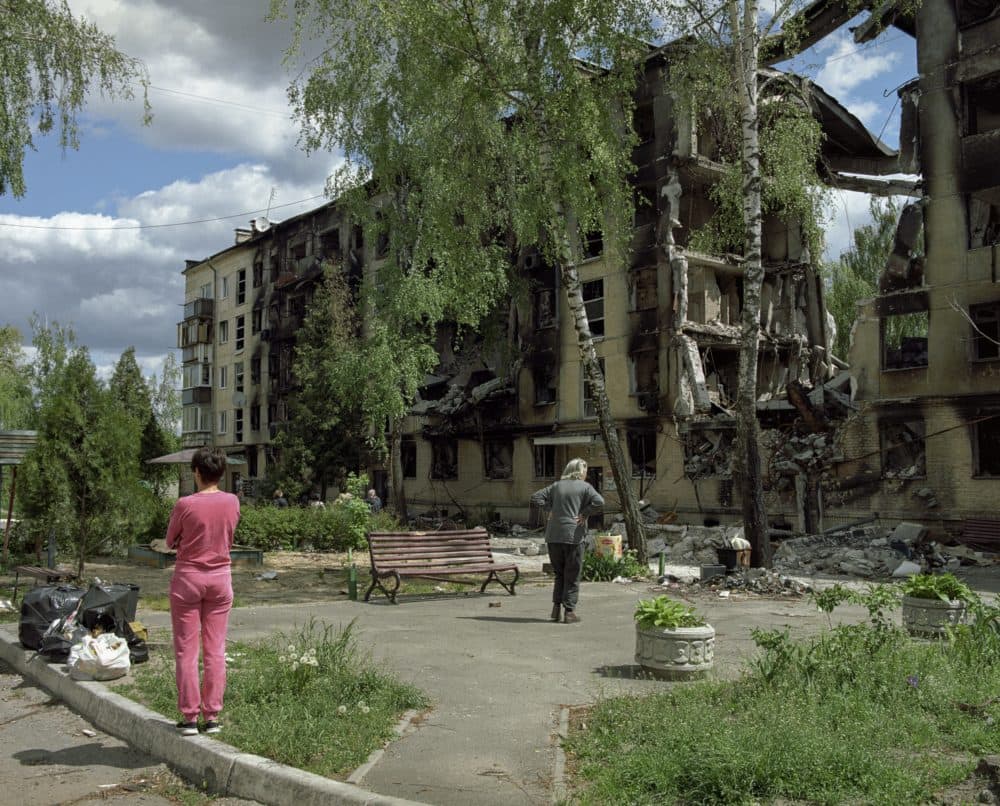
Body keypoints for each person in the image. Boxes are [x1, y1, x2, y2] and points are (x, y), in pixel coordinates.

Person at [163, 447, 241, 736]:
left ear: (196, 472)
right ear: (220, 473)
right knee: (215, 650)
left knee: (186, 650)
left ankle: (189, 718)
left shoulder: (185, 504)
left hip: (188, 579)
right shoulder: (233, 501)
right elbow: (229, 536)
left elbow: (170, 540)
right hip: (220, 579)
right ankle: (212, 717)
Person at [530, 458, 604, 624]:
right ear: (579, 471)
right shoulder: (585, 487)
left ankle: (555, 610)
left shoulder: (556, 486)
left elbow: (536, 497)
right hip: (573, 536)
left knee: (559, 574)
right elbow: (600, 501)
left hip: (553, 536)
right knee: (572, 574)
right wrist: (585, 514)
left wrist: (550, 510)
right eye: (585, 471)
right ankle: (569, 612)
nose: (586, 474)